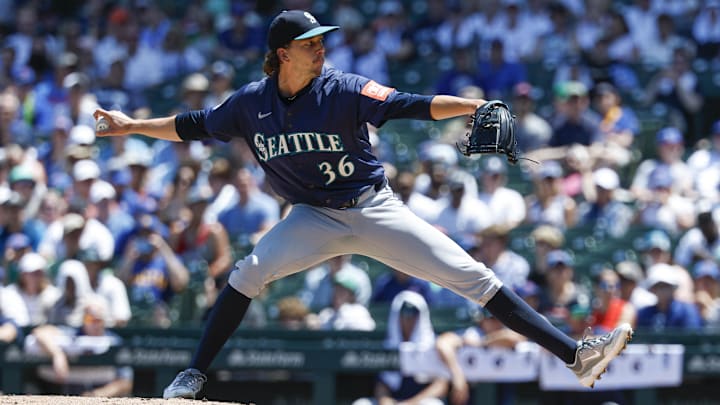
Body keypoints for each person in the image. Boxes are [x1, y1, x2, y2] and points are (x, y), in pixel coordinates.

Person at [92, 10, 633, 399]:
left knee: (473, 277)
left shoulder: (345, 88)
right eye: (310, 43)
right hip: (311, 216)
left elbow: (410, 105)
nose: (321, 48)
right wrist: (133, 126)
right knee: (247, 272)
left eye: (322, 40)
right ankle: (193, 376)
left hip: (373, 208)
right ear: (284, 54)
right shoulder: (249, 104)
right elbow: (190, 126)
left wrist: (473, 105)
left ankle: (576, 357)